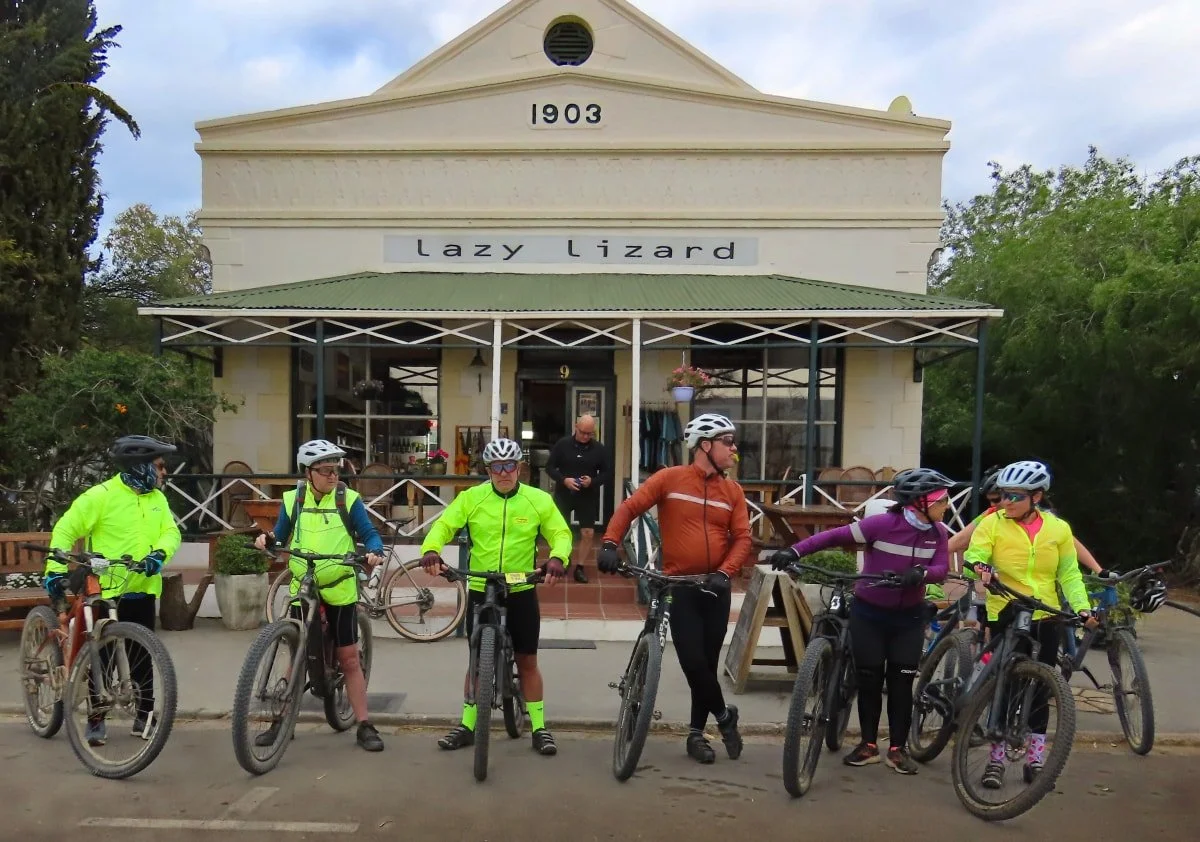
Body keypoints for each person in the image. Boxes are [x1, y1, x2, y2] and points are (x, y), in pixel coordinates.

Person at [771, 467, 955, 775]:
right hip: (869, 613)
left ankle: (897, 749)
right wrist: (794, 550)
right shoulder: (882, 525)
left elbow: (940, 568)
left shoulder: (938, 534)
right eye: (943, 499)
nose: (947, 505)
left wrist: (921, 574)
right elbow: (833, 536)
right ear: (921, 502)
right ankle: (868, 744)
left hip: (908, 618)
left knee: (901, 682)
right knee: (869, 679)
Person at [597, 412, 751, 765]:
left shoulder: (733, 491)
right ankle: (725, 718)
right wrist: (609, 542)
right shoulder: (670, 479)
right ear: (706, 446)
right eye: (728, 442)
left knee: (707, 665)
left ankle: (697, 735)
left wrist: (726, 573)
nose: (733, 449)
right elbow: (630, 507)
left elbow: (743, 539)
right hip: (680, 584)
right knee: (693, 663)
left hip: (715, 586)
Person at [420, 437, 573, 757]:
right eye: (496, 468)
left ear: (520, 468)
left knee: (527, 660)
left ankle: (540, 727)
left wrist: (558, 558)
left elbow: (560, 532)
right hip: (480, 586)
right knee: (476, 662)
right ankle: (467, 725)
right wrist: (431, 549)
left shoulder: (538, 500)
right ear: (488, 470)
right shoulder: (471, 498)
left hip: (520, 587)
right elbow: (445, 525)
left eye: (510, 466)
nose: (504, 473)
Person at [962, 459, 1094, 788]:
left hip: (1046, 613)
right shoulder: (993, 524)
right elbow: (972, 557)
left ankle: (1035, 760)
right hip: (1007, 608)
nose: (1005, 501)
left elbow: (1069, 574)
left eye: (1014, 496)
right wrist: (980, 567)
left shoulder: (1058, 530)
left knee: (1041, 688)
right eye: (1003, 495)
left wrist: (1082, 608)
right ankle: (995, 760)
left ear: (1036, 497)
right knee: (1007, 683)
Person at [46, 435, 181, 747]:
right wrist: (54, 571)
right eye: (159, 466)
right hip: (103, 589)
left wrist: (158, 555)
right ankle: (96, 718)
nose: (164, 473)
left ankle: (144, 716)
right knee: (100, 656)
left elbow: (170, 532)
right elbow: (65, 530)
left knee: (143, 655)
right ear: (139, 466)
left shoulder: (157, 499)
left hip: (141, 587)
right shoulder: (101, 495)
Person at [254, 439, 387, 752]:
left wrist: (374, 551)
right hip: (304, 585)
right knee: (297, 654)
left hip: (339, 586)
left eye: (336, 470)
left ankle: (364, 724)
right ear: (308, 472)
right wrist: (267, 540)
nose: (333, 476)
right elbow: (281, 535)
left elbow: (369, 535)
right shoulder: (294, 500)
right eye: (326, 471)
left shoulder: (347, 499)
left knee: (349, 658)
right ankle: (282, 720)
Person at [544, 414, 612, 584]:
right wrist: (564, 480)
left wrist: (592, 481)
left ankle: (580, 567)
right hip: (564, 493)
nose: (585, 437)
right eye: (583, 432)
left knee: (587, 533)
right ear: (576, 427)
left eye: (590, 434)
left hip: (587, 496)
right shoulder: (562, 445)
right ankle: (562, 560)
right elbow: (549, 467)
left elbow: (608, 473)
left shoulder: (599, 449)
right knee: (561, 531)